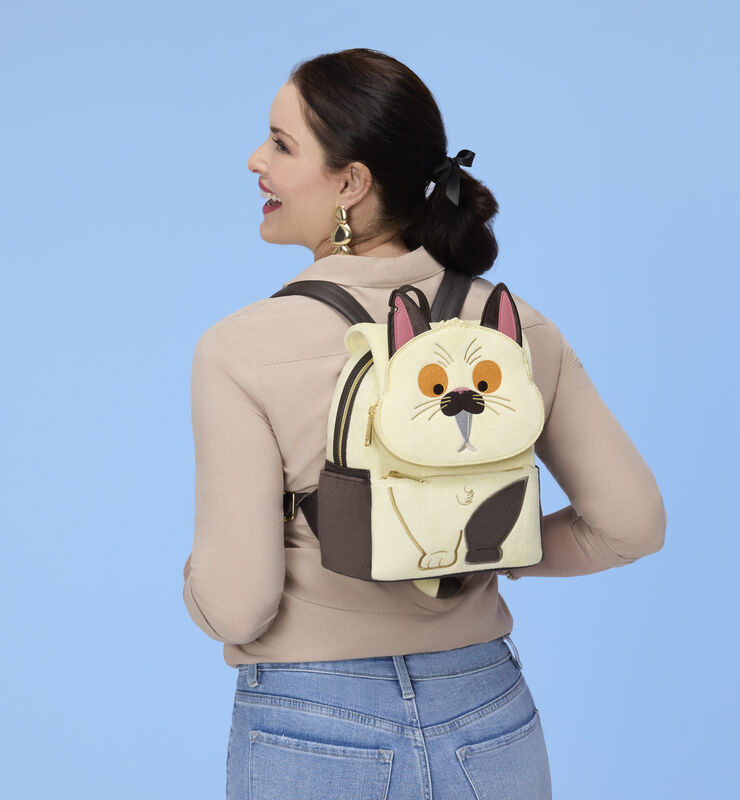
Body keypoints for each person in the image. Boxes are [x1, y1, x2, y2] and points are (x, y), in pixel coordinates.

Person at [182, 47, 667, 800]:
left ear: (351, 183)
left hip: (313, 720)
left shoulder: (241, 348)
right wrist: (482, 544)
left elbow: (238, 605)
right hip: (488, 710)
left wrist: (198, 588)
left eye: (280, 144)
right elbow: (632, 526)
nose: (257, 160)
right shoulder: (515, 329)